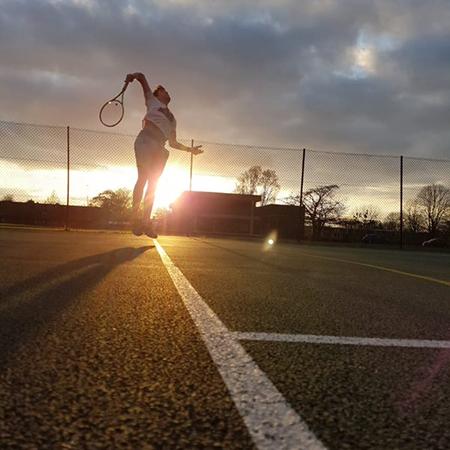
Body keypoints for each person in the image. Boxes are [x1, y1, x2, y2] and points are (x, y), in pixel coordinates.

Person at [125, 72, 203, 238]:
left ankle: (146, 222)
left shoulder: (173, 119)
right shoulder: (151, 101)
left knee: (153, 185)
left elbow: (173, 143)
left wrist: (190, 150)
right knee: (143, 178)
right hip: (146, 140)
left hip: (161, 148)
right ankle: (134, 218)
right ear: (157, 95)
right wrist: (133, 76)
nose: (167, 92)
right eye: (164, 91)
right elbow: (142, 77)